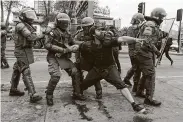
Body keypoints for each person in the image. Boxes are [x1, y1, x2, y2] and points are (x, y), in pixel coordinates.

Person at [80, 24, 146, 113]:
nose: (102, 32)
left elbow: (122, 38)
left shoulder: (108, 42)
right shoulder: (87, 45)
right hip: (96, 69)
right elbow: (78, 50)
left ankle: (134, 105)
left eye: (102, 29)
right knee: (83, 85)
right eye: (99, 30)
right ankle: (77, 92)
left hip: (110, 68)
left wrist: (134, 39)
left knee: (121, 84)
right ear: (93, 35)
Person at [44, 13, 85, 106]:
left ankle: (77, 93)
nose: (65, 24)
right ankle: (49, 95)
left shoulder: (67, 33)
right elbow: (47, 45)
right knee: (56, 75)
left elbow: (73, 42)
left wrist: (82, 44)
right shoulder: (52, 32)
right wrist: (64, 49)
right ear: (59, 22)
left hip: (63, 57)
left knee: (75, 72)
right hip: (53, 56)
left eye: (67, 22)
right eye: (63, 22)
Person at [9, 7, 43, 103]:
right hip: (21, 51)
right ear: (23, 17)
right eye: (29, 16)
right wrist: (42, 34)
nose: (31, 18)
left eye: (32, 16)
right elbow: (31, 37)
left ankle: (13, 89)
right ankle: (32, 94)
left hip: (24, 50)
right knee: (25, 70)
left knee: (17, 69)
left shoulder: (26, 25)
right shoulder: (21, 25)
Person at [135, 8, 167, 106]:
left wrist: (162, 34)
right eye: (162, 17)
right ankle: (149, 98)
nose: (162, 20)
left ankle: (140, 91)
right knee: (151, 74)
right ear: (159, 17)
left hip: (143, 52)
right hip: (144, 52)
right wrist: (157, 51)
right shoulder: (150, 24)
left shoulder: (151, 25)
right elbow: (146, 41)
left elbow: (152, 36)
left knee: (146, 73)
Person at [74, 17, 102, 99]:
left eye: (88, 27)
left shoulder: (96, 33)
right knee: (76, 72)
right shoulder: (79, 34)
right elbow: (75, 44)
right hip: (84, 58)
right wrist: (77, 58)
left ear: (92, 26)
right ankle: (78, 91)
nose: (86, 29)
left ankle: (99, 91)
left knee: (95, 75)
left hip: (94, 58)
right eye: (85, 27)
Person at [123, 13, 145, 94]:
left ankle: (126, 79)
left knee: (135, 67)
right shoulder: (132, 29)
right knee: (137, 69)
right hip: (134, 51)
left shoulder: (139, 28)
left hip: (136, 51)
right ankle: (135, 88)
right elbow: (130, 41)